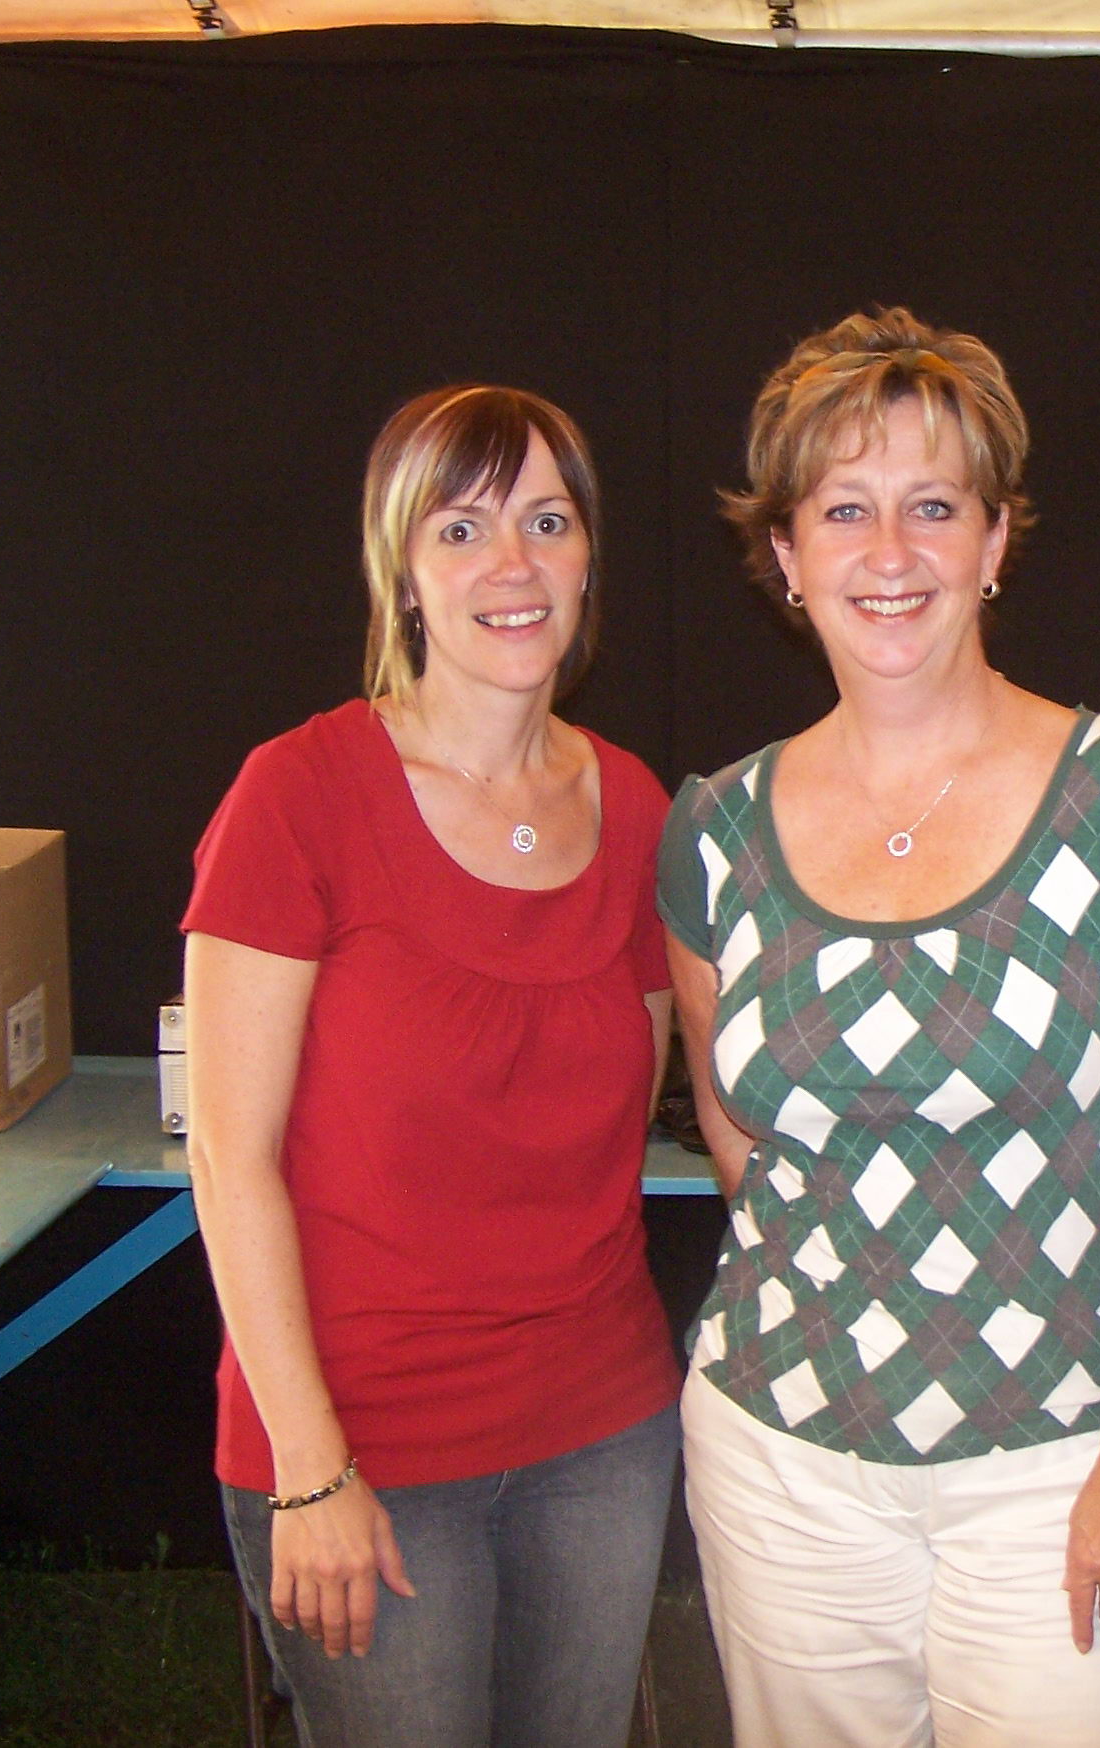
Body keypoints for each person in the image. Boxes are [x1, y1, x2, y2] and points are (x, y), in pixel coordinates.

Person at [658, 307, 1100, 1748]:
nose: (890, 551)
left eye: (933, 506)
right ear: (786, 556)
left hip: (1063, 1462)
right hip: (779, 1458)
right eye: (843, 510)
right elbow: (737, 1137)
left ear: (994, 543)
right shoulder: (716, 827)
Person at [183, 385, 679, 1748]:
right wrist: (309, 1469)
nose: (512, 564)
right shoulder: (298, 797)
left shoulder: (638, 808)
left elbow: (629, 1114)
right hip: (361, 1443)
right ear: (401, 572)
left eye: (547, 523)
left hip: (601, 1429)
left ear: (588, 559)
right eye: (461, 529)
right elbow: (228, 1157)